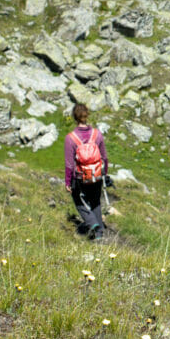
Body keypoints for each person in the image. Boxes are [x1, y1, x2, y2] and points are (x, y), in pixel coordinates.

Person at [64, 103, 109, 240]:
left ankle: (92, 223)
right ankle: (99, 233)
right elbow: (104, 157)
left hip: (80, 177)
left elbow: (69, 164)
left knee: (78, 200)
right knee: (95, 201)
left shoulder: (70, 138)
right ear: (87, 115)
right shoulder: (97, 134)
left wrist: (68, 182)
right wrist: (104, 173)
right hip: (96, 175)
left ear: (74, 117)